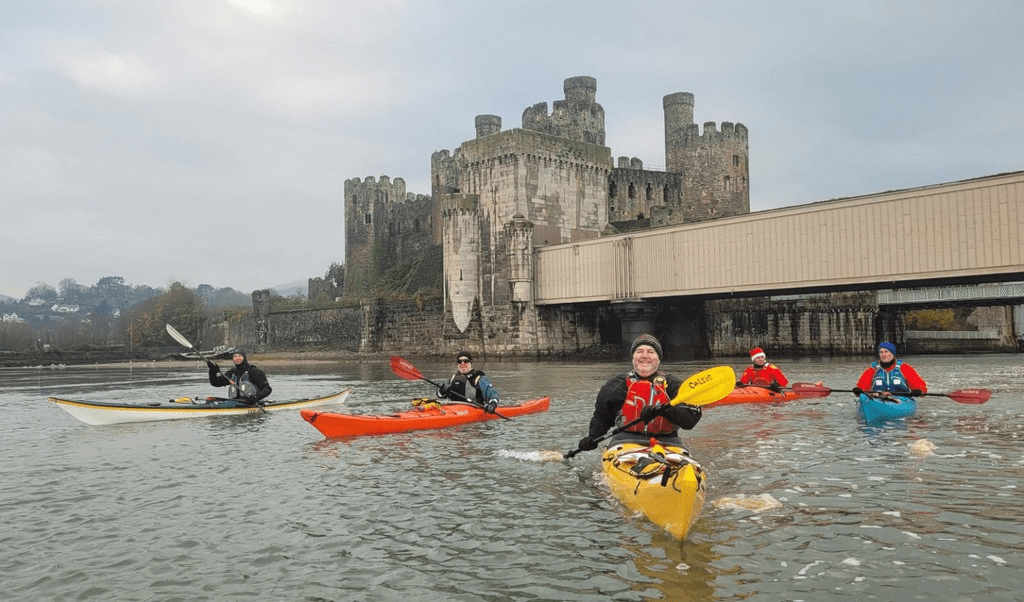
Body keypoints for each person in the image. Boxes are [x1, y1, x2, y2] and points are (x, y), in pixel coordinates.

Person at [576, 333, 702, 452]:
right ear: (633, 358)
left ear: (658, 360)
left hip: (669, 442)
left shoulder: (674, 384)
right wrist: (592, 437)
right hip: (625, 441)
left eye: (651, 352)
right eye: (639, 351)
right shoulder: (616, 384)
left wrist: (663, 410)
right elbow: (602, 417)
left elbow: (690, 420)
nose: (644, 356)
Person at [853, 341, 927, 397]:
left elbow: (920, 386)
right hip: (877, 399)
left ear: (892, 354)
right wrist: (859, 390)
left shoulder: (904, 368)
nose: (883, 355)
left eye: (886, 352)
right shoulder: (872, 369)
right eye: (881, 352)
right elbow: (863, 385)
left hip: (901, 399)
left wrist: (919, 391)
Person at [436, 351, 500, 413]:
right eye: (459, 362)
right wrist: (443, 390)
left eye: (465, 361)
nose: (462, 364)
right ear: (457, 365)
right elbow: (440, 395)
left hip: (473, 411)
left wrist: (492, 404)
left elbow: (492, 393)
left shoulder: (479, 378)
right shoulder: (452, 378)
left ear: (470, 363)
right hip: (452, 410)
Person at [208, 348, 272, 404]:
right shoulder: (231, 373)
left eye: (240, 356)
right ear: (233, 359)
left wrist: (256, 397)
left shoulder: (254, 371)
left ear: (244, 358)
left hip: (251, 403)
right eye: (235, 356)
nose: (237, 358)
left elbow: (267, 389)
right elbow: (215, 382)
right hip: (235, 402)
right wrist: (212, 371)